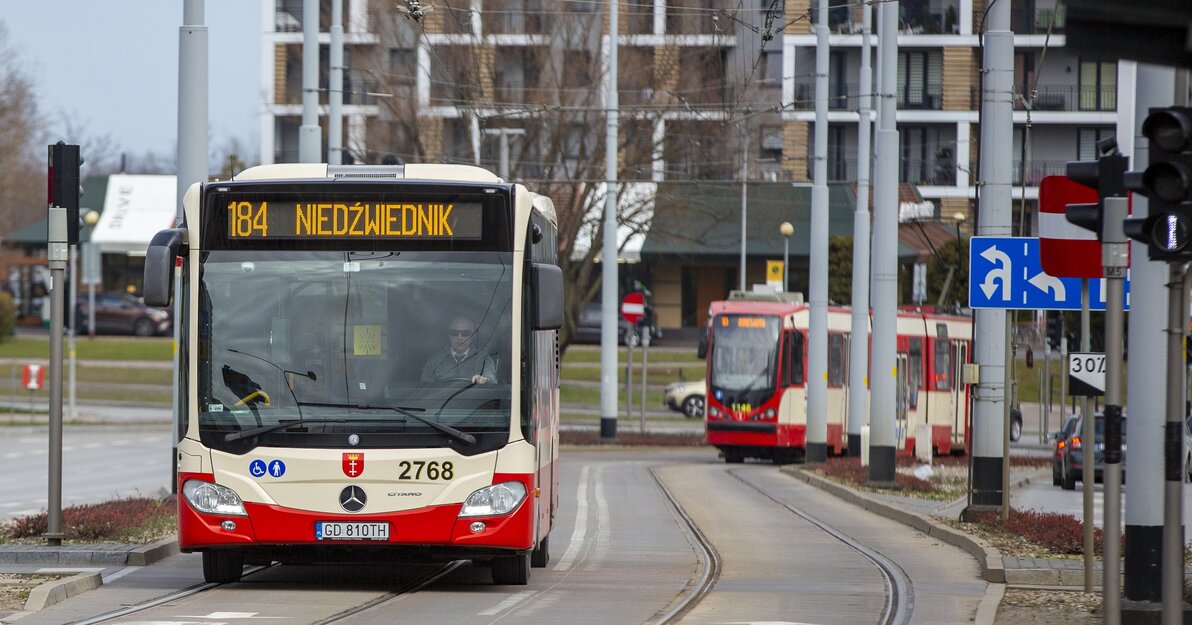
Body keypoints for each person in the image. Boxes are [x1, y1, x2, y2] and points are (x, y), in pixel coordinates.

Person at [420, 316, 497, 384]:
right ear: (448, 335)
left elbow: (491, 379)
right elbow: (424, 388)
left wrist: (484, 380)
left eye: (465, 333)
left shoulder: (484, 358)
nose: (459, 337)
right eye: (454, 333)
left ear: (473, 335)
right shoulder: (435, 360)